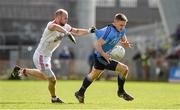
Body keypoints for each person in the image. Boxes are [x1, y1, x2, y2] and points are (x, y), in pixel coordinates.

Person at [11, 9, 95, 103]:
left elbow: (77, 31)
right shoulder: (50, 25)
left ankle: (22, 71)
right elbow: (55, 27)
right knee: (53, 80)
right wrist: (67, 33)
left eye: (67, 18)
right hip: (41, 56)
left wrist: (89, 31)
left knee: (44, 76)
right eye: (65, 18)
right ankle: (54, 98)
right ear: (58, 17)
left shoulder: (65, 26)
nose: (66, 20)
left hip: (47, 57)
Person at [75, 13, 134, 103]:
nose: (122, 27)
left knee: (94, 75)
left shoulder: (122, 30)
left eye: (124, 25)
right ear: (115, 22)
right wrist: (104, 54)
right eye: (121, 25)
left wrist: (125, 43)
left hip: (103, 56)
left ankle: (80, 92)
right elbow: (97, 45)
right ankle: (121, 92)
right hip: (100, 56)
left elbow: (123, 39)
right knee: (124, 69)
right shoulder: (109, 31)